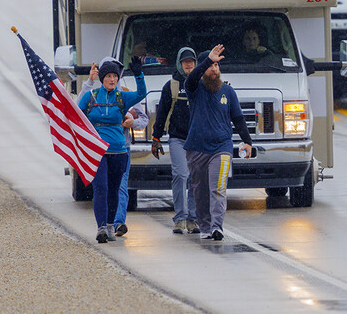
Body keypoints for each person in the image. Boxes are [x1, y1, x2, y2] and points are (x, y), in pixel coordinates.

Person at [184, 44, 253, 241]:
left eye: (216, 66)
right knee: (200, 190)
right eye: (210, 66)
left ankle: (217, 226)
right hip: (196, 148)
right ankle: (205, 226)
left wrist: (247, 141)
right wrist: (207, 59)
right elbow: (190, 78)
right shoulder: (194, 89)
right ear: (203, 68)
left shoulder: (228, 92)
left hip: (221, 147)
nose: (214, 69)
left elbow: (238, 119)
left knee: (218, 187)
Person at [78, 56, 146, 243]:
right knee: (101, 188)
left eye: (114, 76)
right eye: (108, 76)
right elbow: (77, 114)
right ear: (102, 78)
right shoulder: (90, 97)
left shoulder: (122, 96)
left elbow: (141, 94)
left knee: (114, 190)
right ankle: (101, 227)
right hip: (98, 151)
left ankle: (109, 225)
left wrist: (139, 74)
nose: (112, 79)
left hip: (119, 151)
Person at [152, 46, 200, 235]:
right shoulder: (171, 85)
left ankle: (193, 220)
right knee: (181, 175)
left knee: (195, 179)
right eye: (185, 62)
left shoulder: (201, 83)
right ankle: (180, 218)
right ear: (179, 64)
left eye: (192, 61)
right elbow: (162, 113)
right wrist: (156, 138)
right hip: (177, 139)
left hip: (197, 140)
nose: (189, 65)